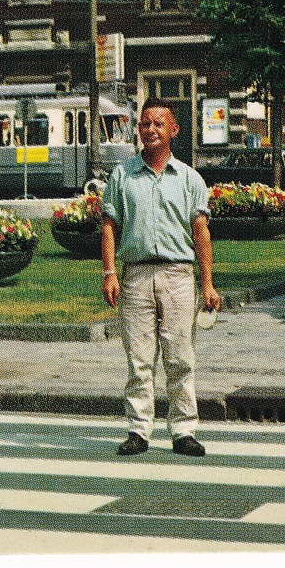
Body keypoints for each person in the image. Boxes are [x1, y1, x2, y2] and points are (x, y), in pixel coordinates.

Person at [100, 97, 220, 458]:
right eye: (144, 124)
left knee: (180, 356)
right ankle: (139, 430)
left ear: (173, 130)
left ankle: (183, 430)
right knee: (139, 357)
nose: (150, 130)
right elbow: (109, 225)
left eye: (158, 124)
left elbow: (201, 232)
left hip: (178, 276)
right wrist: (109, 273)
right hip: (135, 276)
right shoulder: (122, 175)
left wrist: (208, 282)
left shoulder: (189, 178)